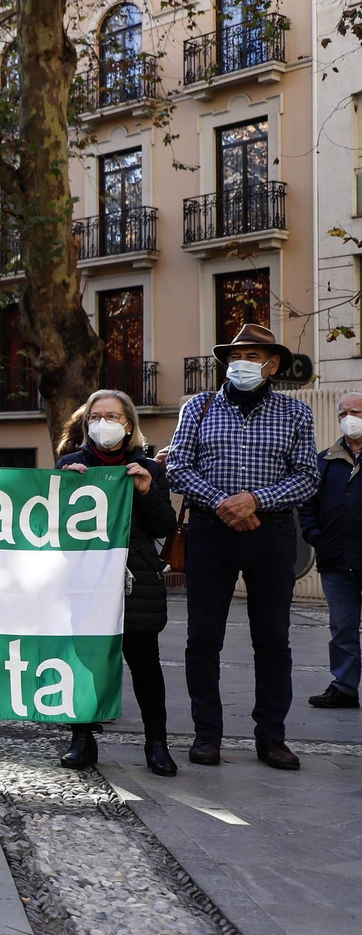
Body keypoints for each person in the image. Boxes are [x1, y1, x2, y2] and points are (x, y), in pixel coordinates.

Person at [167, 324, 319, 771]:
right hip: (211, 532)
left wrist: (256, 500)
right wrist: (222, 502)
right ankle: (206, 735)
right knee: (202, 638)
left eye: (253, 356)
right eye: (235, 356)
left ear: (271, 365)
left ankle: (272, 737)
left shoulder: (295, 414)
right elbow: (177, 467)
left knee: (273, 638)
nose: (241, 364)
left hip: (271, 533)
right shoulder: (198, 406)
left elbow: (307, 476)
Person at [55, 390, 178, 776]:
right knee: (85, 663)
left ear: (129, 426)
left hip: (134, 583)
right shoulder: (70, 464)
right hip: (85, 581)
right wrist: (63, 490)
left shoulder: (151, 470)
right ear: (86, 422)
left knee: (145, 667)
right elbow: (50, 528)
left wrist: (144, 493)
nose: (103, 423)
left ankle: (157, 744)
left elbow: (164, 527)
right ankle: (81, 739)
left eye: (113, 416)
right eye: (95, 416)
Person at [299, 391, 362, 710]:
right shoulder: (325, 460)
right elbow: (308, 505)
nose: (349, 418)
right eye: (343, 413)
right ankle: (345, 687)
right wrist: (315, 536)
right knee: (342, 628)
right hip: (336, 561)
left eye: (356, 411)